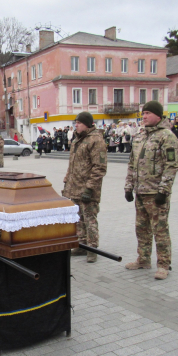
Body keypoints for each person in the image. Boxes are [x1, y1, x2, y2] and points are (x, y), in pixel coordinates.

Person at [124, 100, 178, 280]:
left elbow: (171, 166)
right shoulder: (139, 136)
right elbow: (132, 164)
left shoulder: (167, 136)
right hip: (140, 191)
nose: (144, 116)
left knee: (160, 230)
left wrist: (164, 190)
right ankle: (143, 259)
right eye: (143, 113)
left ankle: (163, 264)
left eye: (147, 113)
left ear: (158, 115)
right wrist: (128, 186)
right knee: (141, 229)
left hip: (156, 193)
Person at [62, 112, 107, 263]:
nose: (76, 125)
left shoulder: (96, 140)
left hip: (88, 189)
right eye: (75, 123)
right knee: (78, 219)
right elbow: (72, 164)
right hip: (74, 187)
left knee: (90, 219)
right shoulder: (77, 140)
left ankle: (92, 249)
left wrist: (90, 188)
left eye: (79, 123)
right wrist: (67, 179)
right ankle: (81, 245)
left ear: (87, 124)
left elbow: (99, 167)